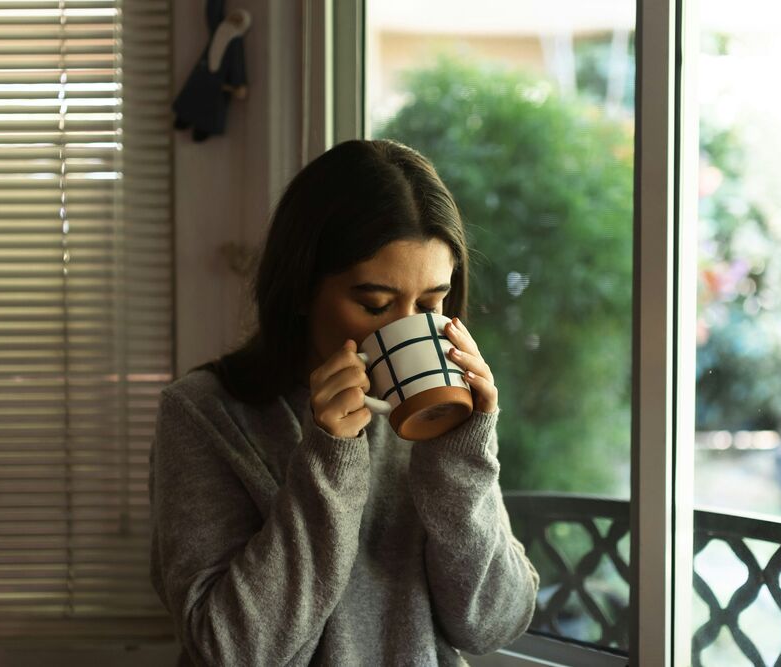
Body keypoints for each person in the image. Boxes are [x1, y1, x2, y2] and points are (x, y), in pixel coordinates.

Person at [149, 139, 540, 666]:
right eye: (375, 303)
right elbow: (230, 650)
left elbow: (493, 624)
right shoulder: (206, 413)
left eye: (430, 303)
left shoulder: (442, 429)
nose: (406, 327)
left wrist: (464, 457)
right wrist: (329, 458)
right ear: (302, 290)